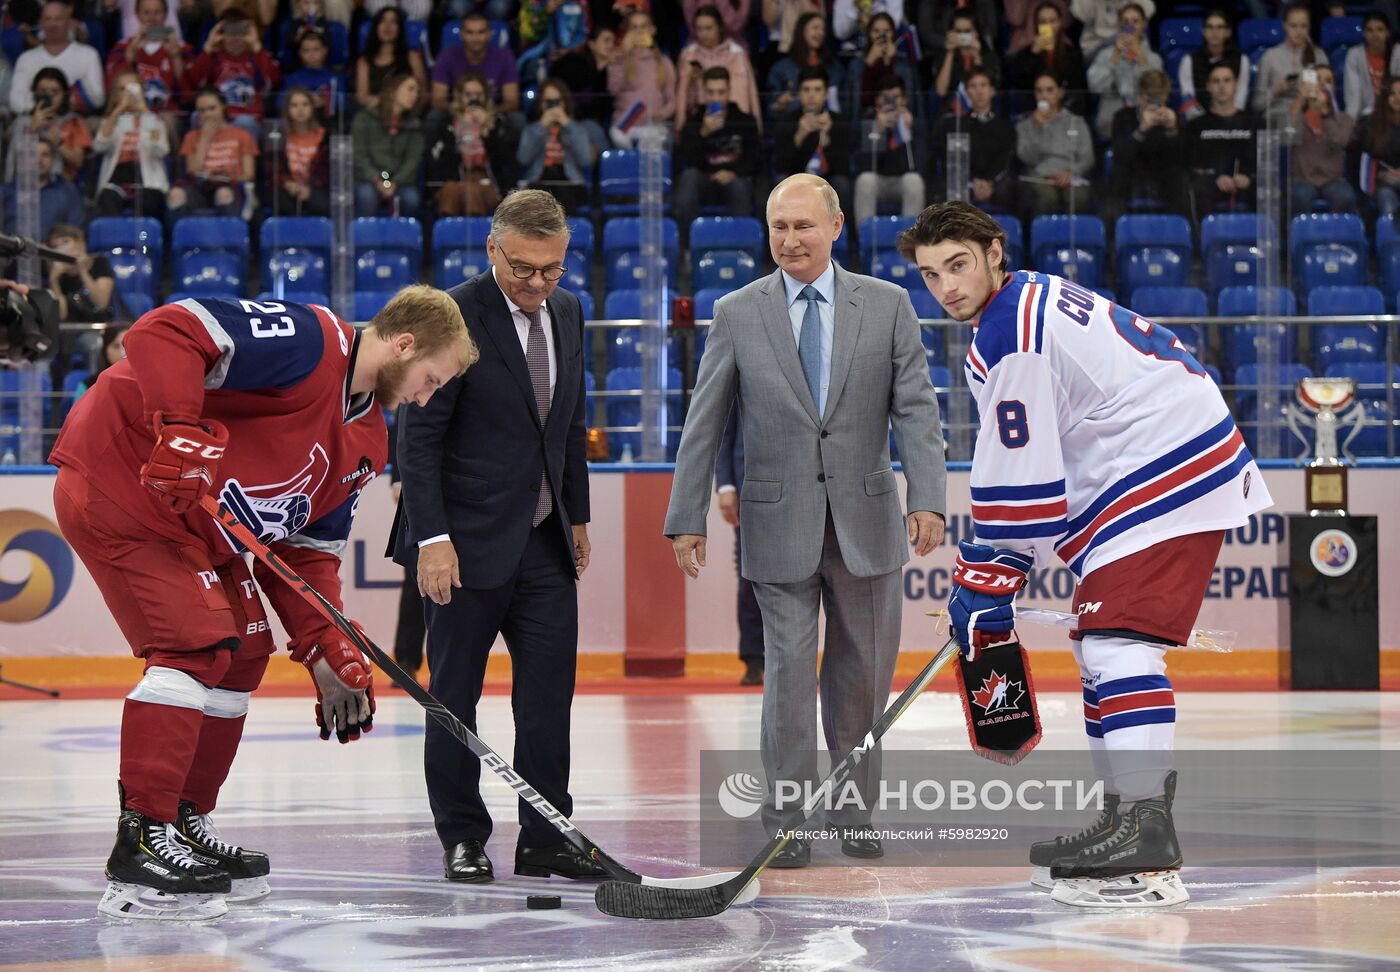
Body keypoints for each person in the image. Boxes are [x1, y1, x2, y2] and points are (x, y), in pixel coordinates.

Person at [49, 286, 476, 921]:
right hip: (122, 481)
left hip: (195, 525)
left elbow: (303, 554)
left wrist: (327, 648)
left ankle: (184, 824)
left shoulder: (366, 441)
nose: (425, 396)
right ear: (404, 344)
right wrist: (179, 428)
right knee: (194, 644)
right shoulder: (310, 342)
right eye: (429, 378)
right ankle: (141, 841)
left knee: (244, 651)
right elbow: (164, 332)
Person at [899, 200, 1273, 908]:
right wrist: (990, 568)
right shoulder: (1025, 297)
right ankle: (1123, 817)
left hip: (1166, 465)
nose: (946, 286)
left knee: (1118, 647)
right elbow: (1030, 467)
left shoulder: (1010, 327)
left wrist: (988, 575)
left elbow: (1023, 488)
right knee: (1098, 646)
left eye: (957, 265)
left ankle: (1145, 828)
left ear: (993, 253)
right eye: (930, 274)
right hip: (1161, 458)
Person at [664, 173, 947, 867]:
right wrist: (687, 513)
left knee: (862, 679)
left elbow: (916, 408)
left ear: (836, 227)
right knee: (788, 675)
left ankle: (855, 812)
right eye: (779, 228)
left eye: (803, 227)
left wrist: (929, 496)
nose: (790, 240)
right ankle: (787, 819)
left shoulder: (887, 306)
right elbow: (707, 419)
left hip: (870, 524)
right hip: (775, 524)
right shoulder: (736, 311)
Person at [389, 189, 600, 886]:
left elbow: (568, 424)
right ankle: (462, 835)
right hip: (463, 544)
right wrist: (432, 538)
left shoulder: (568, 311)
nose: (538, 284)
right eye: (523, 270)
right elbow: (418, 442)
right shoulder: (452, 318)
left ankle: (546, 835)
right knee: (453, 697)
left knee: (548, 698)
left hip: (543, 544)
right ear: (492, 248)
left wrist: (577, 515)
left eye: (552, 269)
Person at [675, 66, 760, 236]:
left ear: (728, 92)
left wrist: (733, 172)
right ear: (704, 93)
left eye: (721, 92)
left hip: (734, 179)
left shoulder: (744, 120)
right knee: (688, 179)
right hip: (704, 180)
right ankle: (691, 244)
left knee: (739, 186)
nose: (716, 98)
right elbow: (686, 160)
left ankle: (740, 245)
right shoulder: (694, 122)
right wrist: (703, 133)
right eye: (711, 92)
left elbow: (755, 158)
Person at [715, 405, 765, 686]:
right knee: (750, 581)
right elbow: (722, 429)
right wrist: (725, 486)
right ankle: (753, 658)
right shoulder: (743, 361)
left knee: (804, 580)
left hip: (801, 490)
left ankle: (797, 659)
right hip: (749, 490)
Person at [185, 10, 281, 142]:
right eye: (230, 31)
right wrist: (209, 46)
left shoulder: (259, 56)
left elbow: (275, 80)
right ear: (220, 33)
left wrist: (256, 45)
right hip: (216, 116)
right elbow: (193, 81)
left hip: (247, 117)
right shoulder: (212, 57)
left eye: (241, 31)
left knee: (245, 122)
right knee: (197, 116)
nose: (235, 37)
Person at [1107, 69, 1189, 221]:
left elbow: (1181, 158)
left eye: (1160, 98)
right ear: (1140, 94)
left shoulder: (1175, 117)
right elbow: (1120, 157)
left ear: (1166, 95)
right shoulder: (1123, 117)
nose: (1155, 104)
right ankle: (1116, 236)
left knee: (1181, 178)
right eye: (1149, 98)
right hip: (1133, 172)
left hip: (1163, 173)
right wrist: (1141, 130)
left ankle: (1179, 234)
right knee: (1116, 177)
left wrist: (1172, 130)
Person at [933, 68, 1017, 213]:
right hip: (966, 184)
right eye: (973, 86)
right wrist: (973, 181)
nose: (979, 91)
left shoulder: (1006, 127)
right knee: (945, 191)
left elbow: (1006, 161)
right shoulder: (956, 126)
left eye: (983, 85)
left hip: (996, 185)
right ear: (966, 93)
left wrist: (989, 183)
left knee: (1020, 192)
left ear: (992, 91)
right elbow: (951, 160)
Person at [169, 87, 259, 223]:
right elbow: (193, 170)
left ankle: (231, 242)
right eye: (202, 111)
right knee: (175, 194)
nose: (208, 114)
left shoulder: (242, 135)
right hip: (200, 187)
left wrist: (227, 176)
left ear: (223, 107)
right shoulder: (192, 136)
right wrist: (204, 139)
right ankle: (173, 242)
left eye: (212, 108)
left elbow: (249, 174)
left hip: (231, 186)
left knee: (223, 194)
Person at [772, 67, 853, 215]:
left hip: (828, 179)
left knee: (842, 183)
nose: (811, 95)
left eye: (817, 90)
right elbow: (781, 165)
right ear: (799, 93)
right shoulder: (787, 120)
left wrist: (828, 138)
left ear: (826, 93)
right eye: (806, 90)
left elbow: (844, 167)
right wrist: (799, 136)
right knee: (780, 180)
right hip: (795, 176)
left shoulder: (838, 121)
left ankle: (846, 234)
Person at [92, 68, 170, 218]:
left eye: (133, 88)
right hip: (116, 182)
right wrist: (119, 109)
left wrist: (143, 109)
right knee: (107, 199)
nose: (128, 94)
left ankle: (144, 241)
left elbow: (160, 150)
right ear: (115, 94)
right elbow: (99, 146)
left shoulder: (152, 122)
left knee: (148, 201)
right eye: (122, 89)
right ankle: (116, 241)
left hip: (148, 183)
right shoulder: (112, 123)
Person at [673, 4, 762, 135]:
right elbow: (682, 97)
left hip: (734, 119)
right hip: (699, 120)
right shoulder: (688, 55)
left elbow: (750, 94)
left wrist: (757, 126)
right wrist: (679, 129)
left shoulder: (736, 53)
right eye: (699, 29)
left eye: (709, 28)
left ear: (719, 28)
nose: (703, 34)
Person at [430, 71, 510, 217]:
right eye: (468, 95)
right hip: (457, 180)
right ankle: (449, 237)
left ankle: (474, 237)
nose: (474, 99)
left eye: (478, 95)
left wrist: (487, 133)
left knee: (471, 190)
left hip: (488, 183)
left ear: (486, 96)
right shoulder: (448, 124)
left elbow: (504, 162)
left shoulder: (498, 124)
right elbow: (440, 163)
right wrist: (460, 132)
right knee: (450, 189)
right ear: (459, 97)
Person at [1184, 62, 1258, 219]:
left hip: (1246, 184)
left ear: (1236, 84)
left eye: (1227, 80)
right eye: (1216, 81)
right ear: (1208, 86)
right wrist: (1215, 178)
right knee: (1199, 188)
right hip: (1210, 184)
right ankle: (1203, 242)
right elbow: (1192, 165)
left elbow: (1262, 162)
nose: (1221, 86)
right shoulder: (1195, 126)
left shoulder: (1254, 123)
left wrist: (1248, 177)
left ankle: (1257, 243)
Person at [1015, 72, 1093, 217]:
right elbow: (1028, 158)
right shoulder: (1024, 125)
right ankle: (1043, 239)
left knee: (1078, 197)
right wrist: (1039, 129)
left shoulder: (1076, 122)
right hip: (1039, 175)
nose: (1044, 96)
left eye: (1049, 90)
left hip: (1070, 174)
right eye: (1039, 91)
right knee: (1047, 197)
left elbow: (1087, 158)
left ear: (1060, 93)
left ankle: (1073, 240)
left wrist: (1071, 172)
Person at [854, 73, 925, 228]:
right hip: (878, 183)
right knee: (865, 180)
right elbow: (863, 166)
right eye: (885, 97)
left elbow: (920, 166)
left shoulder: (915, 123)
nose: (891, 102)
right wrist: (877, 131)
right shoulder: (868, 121)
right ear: (876, 100)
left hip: (902, 182)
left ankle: (910, 242)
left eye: (896, 97)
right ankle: (866, 241)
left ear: (905, 100)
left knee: (914, 181)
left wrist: (909, 132)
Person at [10, 0, 105, 114]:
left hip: (76, 123)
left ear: (69, 22)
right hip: (35, 123)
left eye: (58, 19)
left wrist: (56, 104)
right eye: (48, 19)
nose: (52, 24)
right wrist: (49, 107)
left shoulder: (89, 55)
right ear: (41, 23)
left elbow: (98, 98)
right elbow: (16, 101)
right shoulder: (26, 59)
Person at [352, 73, 424, 218]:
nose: (414, 95)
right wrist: (377, 180)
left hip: (400, 182)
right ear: (393, 90)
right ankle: (365, 238)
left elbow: (412, 160)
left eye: (417, 92)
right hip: (369, 179)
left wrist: (395, 182)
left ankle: (404, 239)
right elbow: (358, 155)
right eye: (410, 89)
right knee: (367, 196)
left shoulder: (414, 125)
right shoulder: (364, 119)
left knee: (411, 199)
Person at [1086, 2, 1162, 138]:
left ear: (1144, 24)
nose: (1129, 26)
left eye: (1135, 21)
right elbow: (1094, 86)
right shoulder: (1106, 55)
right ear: (1119, 25)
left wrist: (1140, 57)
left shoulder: (1153, 59)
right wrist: (1115, 57)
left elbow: (1156, 92)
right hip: (1111, 122)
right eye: (1125, 21)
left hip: (1145, 119)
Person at [1288, 63, 1356, 214]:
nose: (1323, 84)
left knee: (1346, 197)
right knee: (1299, 196)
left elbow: (1339, 142)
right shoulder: (1298, 115)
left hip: (1333, 180)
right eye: (1318, 79)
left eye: (1328, 80)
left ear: (1334, 87)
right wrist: (1300, 99)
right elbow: (1289, 136)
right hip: (1302, 180)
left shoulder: (1344, 119)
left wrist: (1324, 114)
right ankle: (1301, 236)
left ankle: (1340, 237)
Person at [105, 0, 192, 115]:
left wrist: (176, 58)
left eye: (157, 12)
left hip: (168, 114)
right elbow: (112, 86)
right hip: (130, 112)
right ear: (137, 14)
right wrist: (131, 53)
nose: (152, 18)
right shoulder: (122, 46)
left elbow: (189, 96)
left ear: (166, 14)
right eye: (146, 13)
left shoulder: (182, 48)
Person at [7, 68, 93, 182]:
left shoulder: (74, 121)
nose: (48, 97)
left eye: (55, 92)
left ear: (64, 94)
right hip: (26, 184)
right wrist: (32, 128)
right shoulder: (22, 122)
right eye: (42, 91)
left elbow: (78, 161)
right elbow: (13, 160)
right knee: (22, 122)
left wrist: (57, 142)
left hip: (61, 186)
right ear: (34, 92)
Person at [517, 77, 591, 209]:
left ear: (565, 103)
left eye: (557, 101)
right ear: (540, 103)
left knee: (562, 195)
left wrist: (567, 124)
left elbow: (585, 159)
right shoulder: (532, 129)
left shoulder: (577, 129)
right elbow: (523, 158)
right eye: (548, 102)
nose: (553, 106)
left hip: (569, 183)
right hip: (539, 182)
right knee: (538, 199)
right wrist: (542, 126)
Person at [605, 8, 676, 146]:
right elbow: (613, 89)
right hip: (626, 125)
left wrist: (662, 113)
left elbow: (671, 100)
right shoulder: (620, 59)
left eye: (644, 27)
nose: (639, 32)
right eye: (634, 28)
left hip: (653, 124)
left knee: (656, 139)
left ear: (652, 30)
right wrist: (623, 56)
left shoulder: (664, 62)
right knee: (617, 135)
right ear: (627, 33)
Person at [430, 11, 520, 117]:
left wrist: (487, 113)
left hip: (493, 112)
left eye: (481, 32)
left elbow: (512, 101)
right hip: (456, 112)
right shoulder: (447, 56)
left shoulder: (504, 56)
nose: (475, 38)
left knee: (517, 118)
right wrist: (461, 112)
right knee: (434, 117)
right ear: (462, 34)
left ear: (489, 34)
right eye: (470, 32)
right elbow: (438, 100)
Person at [1254, 2, 1326, 130]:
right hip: (1275, 117)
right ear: (1284, 26)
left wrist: (1311, 94)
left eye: (1303, 26)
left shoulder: (1319, 55)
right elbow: (1257, 105)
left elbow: (1327, 99)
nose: (1298, 31)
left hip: (1308, 118)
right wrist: (1276, 90)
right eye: (1293, 26)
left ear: (1309, 27)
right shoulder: (1270, 56)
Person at [1008, 1, 1088, 116]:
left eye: (1052, 21)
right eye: (1043, 22)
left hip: (1065, 112)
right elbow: (1020, 84)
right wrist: (1033, 54)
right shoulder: (1026, 54)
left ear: (1060, 23)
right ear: (1036, 25)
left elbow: (1079, 91)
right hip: (1034, 111)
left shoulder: (1073, 54)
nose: (1048, 26)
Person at [551, 23, 617, 159]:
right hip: (569, 117)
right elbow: (569, 83)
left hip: (597, 120)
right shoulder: (573, 60)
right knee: (594, 131)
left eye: (613, 41)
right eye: (606, 40)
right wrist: (600, 66)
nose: (611, 45)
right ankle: (610, 169)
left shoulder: (609, 69)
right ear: (592, 44)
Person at [0, 136, 84, 239]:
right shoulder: (6, 192)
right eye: (32, 155)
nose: (39, 160)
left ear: (52, 160)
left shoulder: (67, 192)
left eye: (45, 155)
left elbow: (76, 232)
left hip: (52, 253)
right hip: (10, 252)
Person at [1177, 9, 1250, 122]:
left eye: (1220, 27)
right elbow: (1188, 98)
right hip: (1199, 121)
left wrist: (1229, 118)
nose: (1214, 32)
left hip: (1232, 120)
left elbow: (1241, 96)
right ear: (1203, 31)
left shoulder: (1242, 60)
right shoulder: (1188, 61)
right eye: (1210, 27)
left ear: (1228, 32)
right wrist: (1206, 121)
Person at [766, 12, 843, 118]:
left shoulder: (834, 67)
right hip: (792, 126)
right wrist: (780, 104)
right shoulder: (782, 68)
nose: (820, 33)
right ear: (802, 31)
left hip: (827, 124)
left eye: (823, 29)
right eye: (815, 28)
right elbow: (770, 108)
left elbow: (843, 103)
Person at [355, 7, 428, 113]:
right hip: (375, 114)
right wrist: (391, 106)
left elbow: (424, 94)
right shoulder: (364, 60)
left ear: (400, 29)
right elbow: (362, 98)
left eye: (393, 22)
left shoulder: (412, 57)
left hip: (407, 114)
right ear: (376, 27)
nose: (387, 26)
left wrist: (407, 112)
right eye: (382, 21)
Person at [270, 86, 329, 216]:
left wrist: (310, 189)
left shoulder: (325, 137)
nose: (300, 109)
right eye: (294, 105)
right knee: (282, 202)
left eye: (305, 104)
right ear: (287, 109)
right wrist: (287, 183)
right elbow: (272, 168)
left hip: (316, 188)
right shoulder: (279, 136)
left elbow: (328, 173)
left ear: (312, 108)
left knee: (321, 203)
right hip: (289, 188)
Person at [845, 12, 917, 116]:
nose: (881, 36)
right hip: (866, 121)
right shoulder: (856, 64)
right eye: (876, 31)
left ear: (893, 34)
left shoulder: (904, 65)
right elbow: (857, 103)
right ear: (869, 34)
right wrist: (868, 64)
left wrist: (888, 63)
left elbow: (909, 102)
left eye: (886, 31)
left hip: (898, 117)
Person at [45, 223, 115, 323]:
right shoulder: (57, 275)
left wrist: (82, 271)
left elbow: (101, 304)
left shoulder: (99, 262)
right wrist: (54, 280)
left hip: (98, 326)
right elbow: (61, 315)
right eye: (55, 246)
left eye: (65, 242)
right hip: (69, 330)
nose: (61, 249)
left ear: (79, 241)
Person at [933, 9, 1001, 107]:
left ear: (976, 32)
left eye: (967, 31)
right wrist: (950, 53)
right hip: (952, 111)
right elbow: (941, 91)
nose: (962, 36)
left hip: (981, 110)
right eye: (958, 32)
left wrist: (977, 56)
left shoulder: (988, 56)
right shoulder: (944, 55)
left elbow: (991, 91)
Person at [1342, 11, 1400, 120]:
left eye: (1380, 29)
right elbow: (1353, 96)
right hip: (1366, 116)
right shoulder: (1355, 55)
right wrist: (1351, 123)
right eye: (1370, 30)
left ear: (1388, 32)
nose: (1375, 34)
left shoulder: (1398, 54)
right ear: (1363, 33)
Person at [1357, 76, 1400, 217]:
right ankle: (1392, 238)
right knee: (1387, 199)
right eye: (1392, 94)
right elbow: (1366, 161)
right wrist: (1384, 175)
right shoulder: (1372, 125)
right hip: (1383, 183)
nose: (1397, 98)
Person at [282, 27, 342, 119]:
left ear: (325, 51)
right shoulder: (291, 79)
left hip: (327, 125)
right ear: (300, 53)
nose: (311, 54)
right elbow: (281, 105)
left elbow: (342, 108)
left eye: (316, 49)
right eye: (306, 50)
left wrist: (324, 102)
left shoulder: (335, 79)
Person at [1071, 0, 1156, 63]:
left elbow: (1149, 10)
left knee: (1140, 35)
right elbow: (1079, 13)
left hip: (1128, 48)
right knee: (1120, 38)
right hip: (1095, 49)